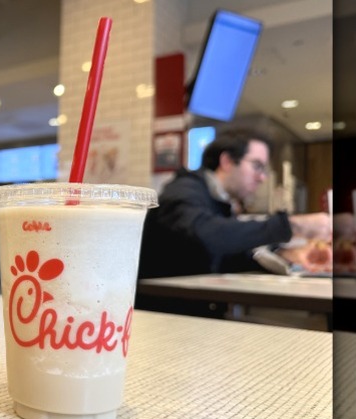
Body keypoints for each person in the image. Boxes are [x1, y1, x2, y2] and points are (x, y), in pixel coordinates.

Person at [136, 129, 331, 318]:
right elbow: (207, 237)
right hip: (159, 319)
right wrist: (293, 225)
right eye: (257, 166)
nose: (262, 178)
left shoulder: (220, 202)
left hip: (191, 316)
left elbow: (224, 254)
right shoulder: (184, 190)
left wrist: (284, 254)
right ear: (227, 161)